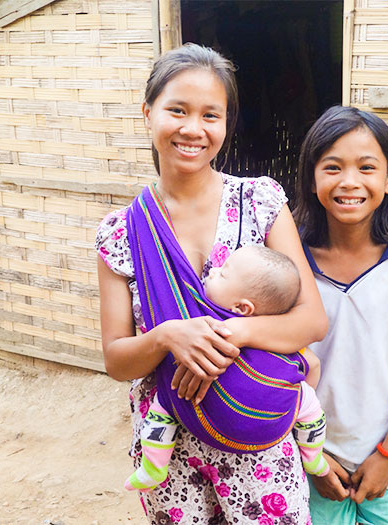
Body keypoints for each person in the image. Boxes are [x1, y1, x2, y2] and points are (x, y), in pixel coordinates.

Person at [96, 43, 328, 525]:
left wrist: (228, 335)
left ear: (225, 124)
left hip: (259, 448)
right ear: (148, 113)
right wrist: (167, 337)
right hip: (172, 456)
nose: (193, 129)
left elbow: (312, 321)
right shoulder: (122, 233)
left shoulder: (260, 203)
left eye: (211, 115)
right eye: (177, 110)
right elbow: (117, 360)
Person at [292, 106, 388, 525]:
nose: (349, 181)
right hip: (309, 459)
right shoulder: (290, 259)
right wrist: (312, 457)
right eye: (332, 167)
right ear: (311, 177)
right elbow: (272, 363)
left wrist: (387, 454)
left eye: (366, 167)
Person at [125, 245, 329, 492]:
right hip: (264, 443)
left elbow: (315, 338)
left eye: (222, 273)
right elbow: (311, 366)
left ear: (241, 308)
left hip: (237, 448)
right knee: (309, 405)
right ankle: (313, 455)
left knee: (165, 404)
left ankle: (153, 467)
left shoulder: (204, 322)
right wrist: (295, 398)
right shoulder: (278, 337)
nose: (212, 270)